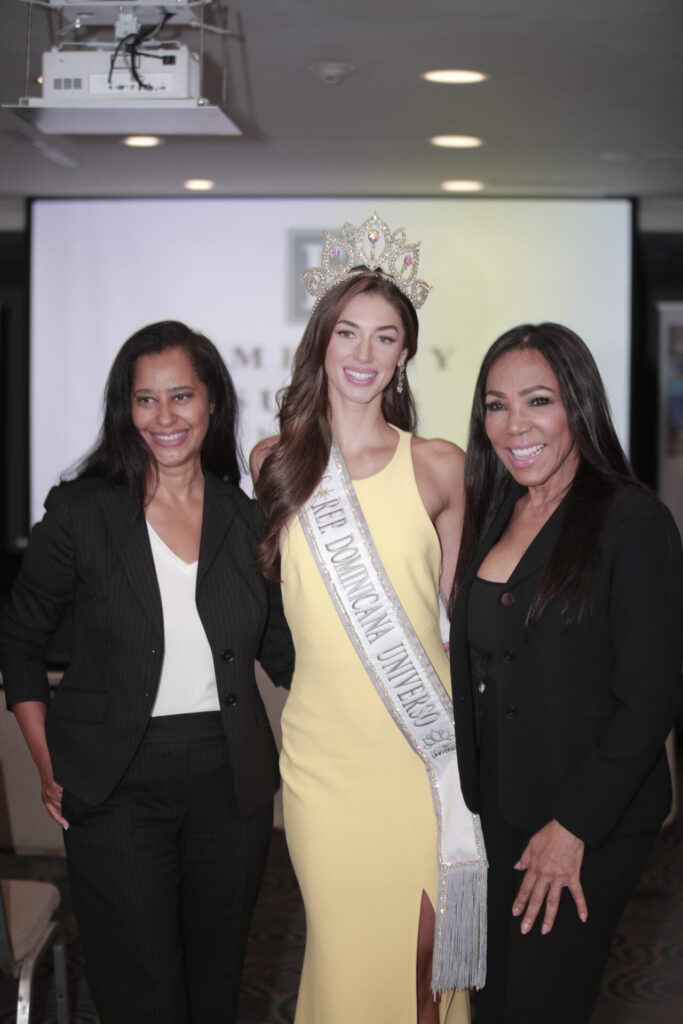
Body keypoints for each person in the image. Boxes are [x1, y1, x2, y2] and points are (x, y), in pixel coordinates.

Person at [0, 320, 294, 1024]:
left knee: (213, 984)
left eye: (182, 396)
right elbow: (20, 643)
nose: (164, 418)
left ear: (213, 402)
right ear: (124, 410)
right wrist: (46, 761)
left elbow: (287, 655)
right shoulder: (82, 513)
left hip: (230, 782)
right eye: (145, 400)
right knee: (142, 993)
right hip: (111, 783)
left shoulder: (248, 519)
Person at [251, 214, 486, 1024]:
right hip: (323, 767)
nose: (362, 354)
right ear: (322, 340)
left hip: (422, 757)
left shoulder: (439, 466)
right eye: (347, 332)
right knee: (350, 960)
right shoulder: (273, 462)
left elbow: (465, 621)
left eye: (384, 338)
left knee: (427, 964)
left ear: (404, 354)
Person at [448, 322, 683, 1023]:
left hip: (583, 820)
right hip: (493, 811)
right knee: (490, 1005)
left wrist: (572, 827)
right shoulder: (495, 511)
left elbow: (649, 699)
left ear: (576, 405)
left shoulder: (631, 522)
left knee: (541, 1006)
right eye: (495, 405)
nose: (513, 424)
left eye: (536, 401)